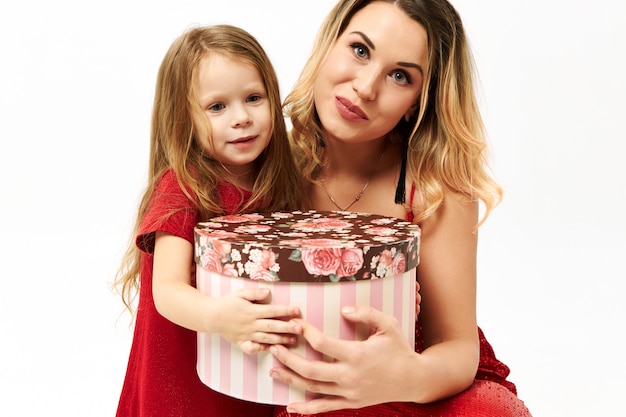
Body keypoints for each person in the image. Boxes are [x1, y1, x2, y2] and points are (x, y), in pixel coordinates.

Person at [269, 1, 532, 416]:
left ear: (416, 101)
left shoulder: (432, 187)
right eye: (359, 50)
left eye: (400, 76)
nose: (366, 87)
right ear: (329, 45)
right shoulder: (265, 164)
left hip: (423, 382)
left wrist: (402, 375)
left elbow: (458, 346)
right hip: (307, 389)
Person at [113, 25, 306, 417]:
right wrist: (220, 317)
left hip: (247, 364)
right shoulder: (183, 187)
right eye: (217, 107)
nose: (241, 118)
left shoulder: (279, 185)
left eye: (253, 98)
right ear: (183, 119)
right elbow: (165, 290)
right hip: (184, 377)